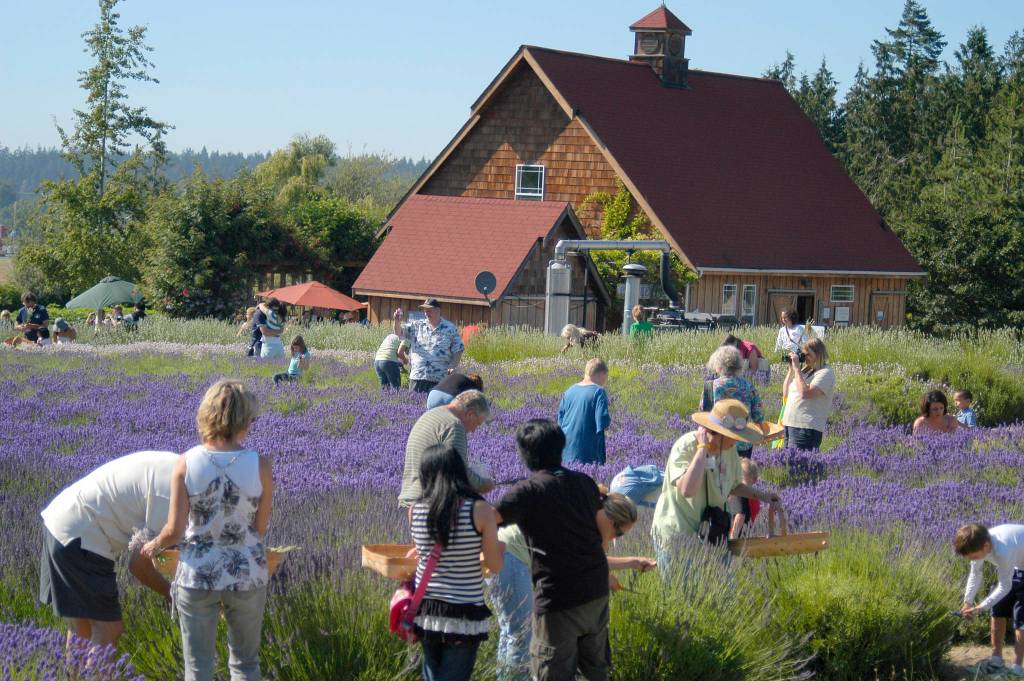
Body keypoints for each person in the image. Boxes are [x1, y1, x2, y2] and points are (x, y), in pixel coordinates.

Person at [142, 380, 273, 681]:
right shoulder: (261, 465)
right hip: (246, 572)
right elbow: (260, 528)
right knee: (245, 664)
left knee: (198, 667)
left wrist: (154, 545)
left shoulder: (185, 463)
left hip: (197, 574)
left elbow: (174, 530)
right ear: (243, 419)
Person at [494, 419, 616, 681]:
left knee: (552, 670)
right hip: (595, 590)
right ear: (561, 447)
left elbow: (488, 520)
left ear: (524, 453)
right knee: (595, 669)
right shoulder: (584, 481)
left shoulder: (527, 491)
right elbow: (605, 527)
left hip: (558, 597)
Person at [491, 493, 655, 681]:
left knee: (511, 633)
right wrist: (623, 566)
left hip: (506, 554)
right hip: (512, 557)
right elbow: (585, 560)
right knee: (521, 636)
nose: (616, 539)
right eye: (619, 533)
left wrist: (630, 564)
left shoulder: (584, 515)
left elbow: (587, 559)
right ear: (610, 520)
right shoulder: (581, 523)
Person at [39, 451, 176, 647]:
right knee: (108, 628)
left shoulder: (177, 467)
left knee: (81, 630)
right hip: (83, 534)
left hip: (59, 520)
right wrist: (172, 593)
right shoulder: (172, 495)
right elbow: (139, 565)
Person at [410, 445, 503, 681]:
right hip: (463, 610)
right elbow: (494, 567)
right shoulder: (480, 510)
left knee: (432, 673)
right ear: (459, 471)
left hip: (426, 608)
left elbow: (425, 553)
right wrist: (500, 549)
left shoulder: (415, 510)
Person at [652, 399, 782, 560]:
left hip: (713, 534)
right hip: (678, 536)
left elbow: (734, 485)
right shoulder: (685, 446)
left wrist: (763, 496)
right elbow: (687, 490)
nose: (736, 441)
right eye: (732, 436)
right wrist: (702, 450)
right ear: (717, 432)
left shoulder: (729, 449)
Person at [398, 390, 495, 507]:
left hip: (411, 500)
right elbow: (459, 471)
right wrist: (484, 484)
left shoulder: (429, 415)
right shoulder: (454, 426)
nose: (474, 430)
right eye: (477, 424)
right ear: (470, 414)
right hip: (430, 505)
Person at [954, 523, 1024, 676]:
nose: (973, 560)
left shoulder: (1003, 551)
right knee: (997, 608)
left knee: (1021, 617)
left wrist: (980, 607)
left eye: (974, 557)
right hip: (1017, 563)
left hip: (1018, 562)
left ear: (986, 546)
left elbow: (1005, 586)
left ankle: (1017, 669)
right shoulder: (978, 543)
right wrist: (968, 601)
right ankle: (996, 661)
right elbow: (975, 574)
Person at [701, 345, 765, 459]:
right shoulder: (749, 386)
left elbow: (703, 413)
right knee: (741, 475)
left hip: (717, 441)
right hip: (743, 441)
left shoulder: (710, 386)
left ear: (718, 365)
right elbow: (758, 415)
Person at [393, 299, 465, 394]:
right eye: (425, 310)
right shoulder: (417, 325)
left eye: (429, 310)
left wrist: (453, 365)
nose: (426, 313)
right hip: (418, 376)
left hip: (440, 378)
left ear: (438, 311)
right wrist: (397, 321)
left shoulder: (449, 328)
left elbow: (458, 348)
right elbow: (398, 333)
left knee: (436, 408)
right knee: (415, 406)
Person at [781, 338, 835, 451]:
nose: (805, 358)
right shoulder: (805, 371)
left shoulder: (826, 373)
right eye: (803, 355)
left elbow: (805, 393)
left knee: (801, 465)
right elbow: (786, 393)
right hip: (789, 424)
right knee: (787, 464)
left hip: (806, 428)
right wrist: (791, 370)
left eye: (808, 354)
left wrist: (797, 369)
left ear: (818, 354)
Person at [558, 358, 611, 465]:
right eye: (606, 376)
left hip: (565, 450)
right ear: (601, 374)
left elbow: (560, 422)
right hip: (586, 452)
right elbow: (602, 422)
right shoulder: (598, 392)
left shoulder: (569, 391)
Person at [728, 459, 762, 539]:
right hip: (749, 534)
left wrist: (733, 537)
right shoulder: (754, 495)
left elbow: (740, 515)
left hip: (739, 537)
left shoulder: (740, 493)